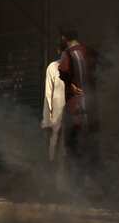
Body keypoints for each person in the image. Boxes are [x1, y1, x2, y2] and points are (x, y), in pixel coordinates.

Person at [57, 27, 100, 189]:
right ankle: (96, 187)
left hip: (75, 110)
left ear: (64, 37)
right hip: (93, 109)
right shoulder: (90, 52)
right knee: (92, 148)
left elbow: (64, 73)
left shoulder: (67, 54)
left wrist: (72, 85)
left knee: (73, 150)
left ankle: (78, 190)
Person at [41, 56, 67, 189]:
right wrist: (46, 121)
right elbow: (48, 95)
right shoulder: (53, 67)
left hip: (75, 119)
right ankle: (57, 188)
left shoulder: (80, 68)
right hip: (57, 121)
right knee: (56, 153)